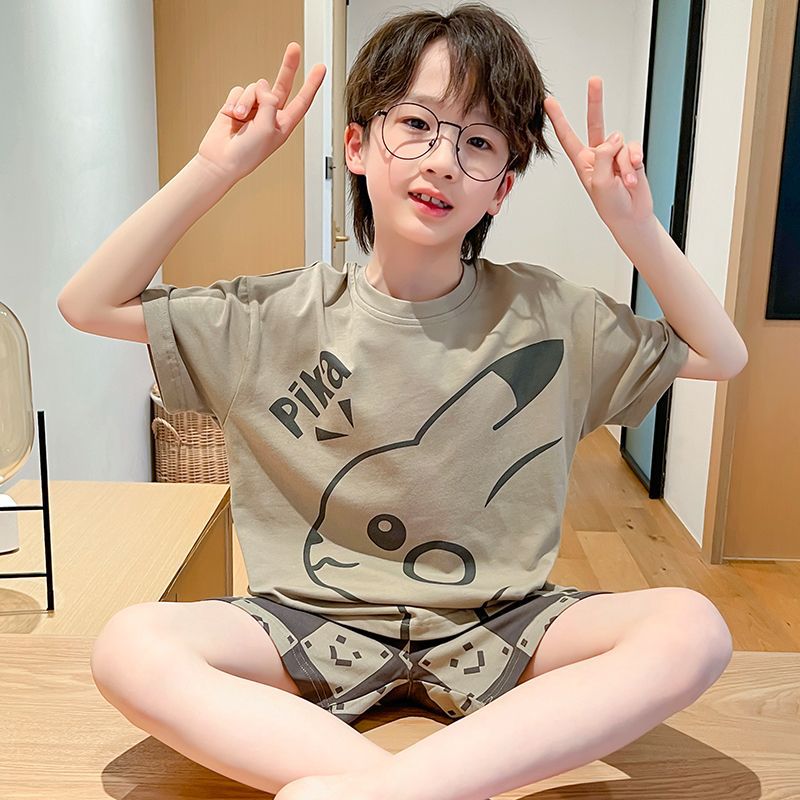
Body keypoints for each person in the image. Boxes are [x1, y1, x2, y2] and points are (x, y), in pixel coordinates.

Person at [58, 3, 742, 800]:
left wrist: (635, 227)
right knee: (129, 645)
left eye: (479, 142)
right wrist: (216, 167)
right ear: (357, 146)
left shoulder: (551, 317)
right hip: (307, 623)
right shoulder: (274, 316)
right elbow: (88, 303)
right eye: (416, 124)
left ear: (502, 189)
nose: (444, 159)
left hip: (501, 619)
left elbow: (721, 356)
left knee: (694, 629)